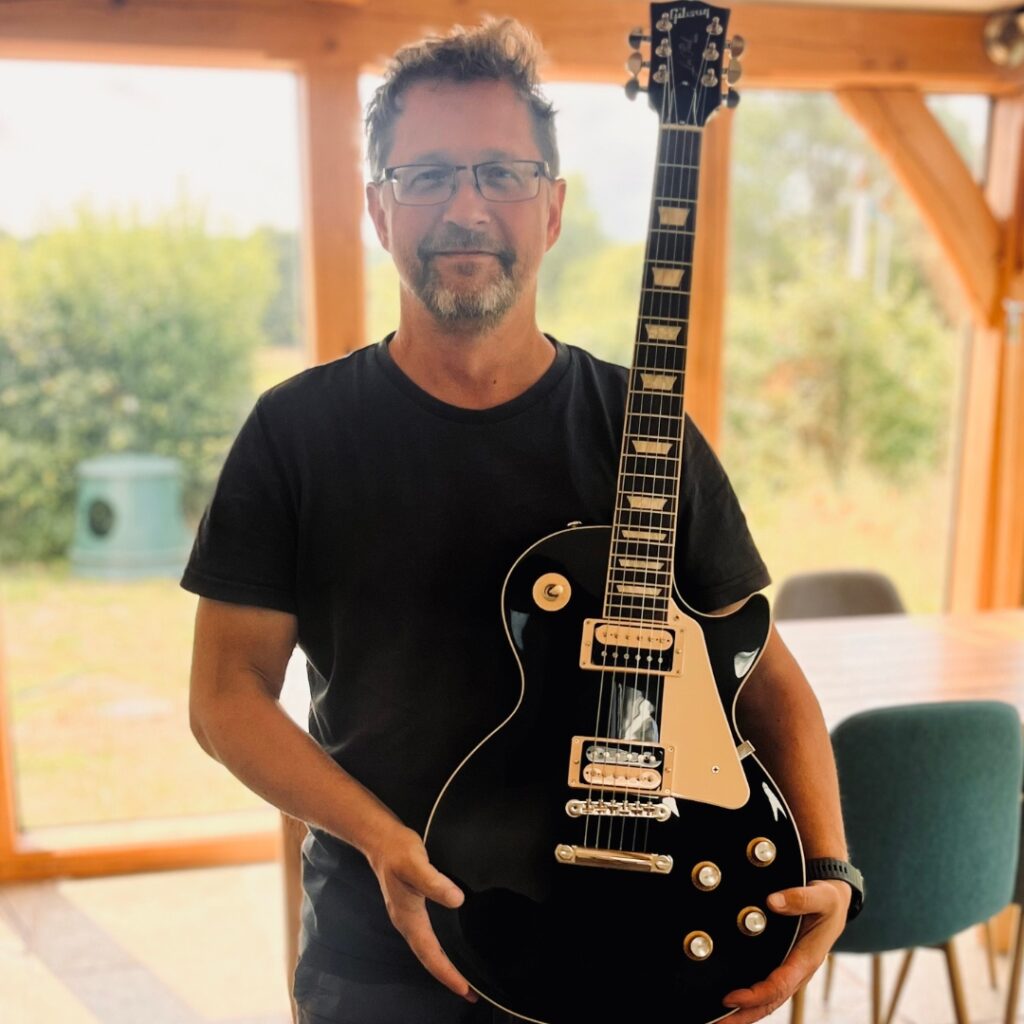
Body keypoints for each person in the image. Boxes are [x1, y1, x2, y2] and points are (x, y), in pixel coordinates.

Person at [184, 18, 855, 1024]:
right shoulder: (296, 432)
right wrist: (379, 838)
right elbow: (224, 695)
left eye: (501, 172)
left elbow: (765, 677)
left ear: (551, 209)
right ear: (378, 209)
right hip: (381, 956)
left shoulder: (644, 426)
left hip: (646, 934)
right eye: (425, 176)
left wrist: (833, 866)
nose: (465, 208)